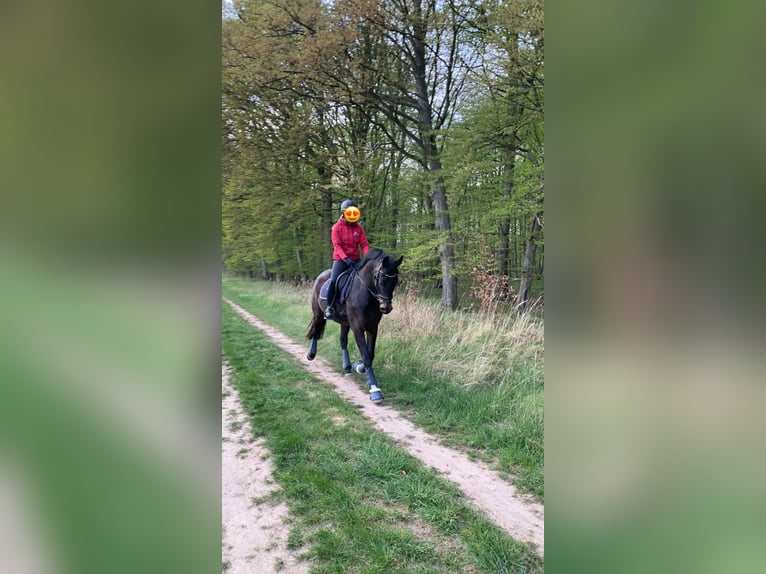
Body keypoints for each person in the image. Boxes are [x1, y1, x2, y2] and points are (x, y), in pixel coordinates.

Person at [324, 199, 370, 319]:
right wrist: (345, 258)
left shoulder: (359, 228)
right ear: (343, 213)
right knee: (334, 281)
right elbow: (337, 246)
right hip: (340, 259)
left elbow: (364, 244)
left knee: (367, 278)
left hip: (356, 259)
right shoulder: (336, 228)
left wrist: (367, 258)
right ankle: (329, 307)